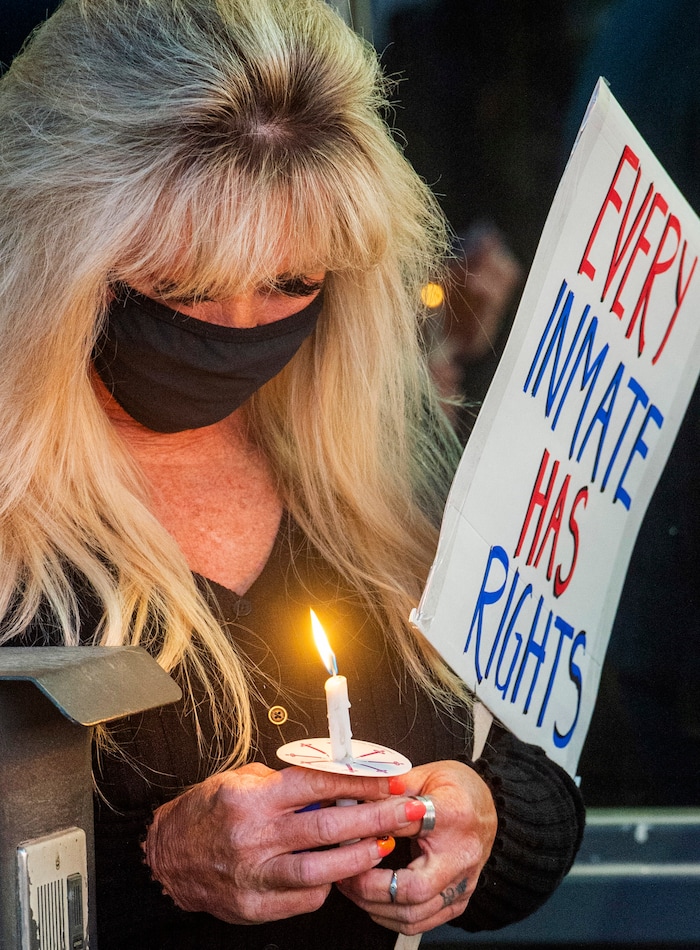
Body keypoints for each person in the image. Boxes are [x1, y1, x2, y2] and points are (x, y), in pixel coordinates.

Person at [0, 2, 584, 948]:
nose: (238, 328)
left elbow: (537, 771)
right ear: (56, 257)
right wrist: (149, 861)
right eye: (182, 288)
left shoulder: (370, 480)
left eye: (292, 282)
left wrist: (484, 820)